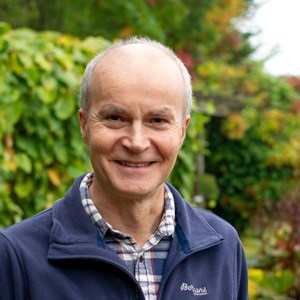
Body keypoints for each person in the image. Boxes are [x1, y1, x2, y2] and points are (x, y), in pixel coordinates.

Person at [0, 37, 249, 300]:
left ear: (183, 131)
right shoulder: (16, 256)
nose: (136, 142)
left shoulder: (222, 247)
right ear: (84, 126)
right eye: (115, 118)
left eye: (157, 120)